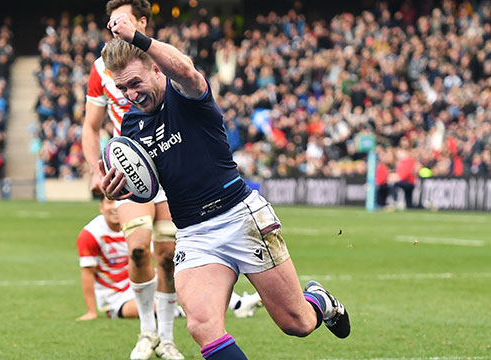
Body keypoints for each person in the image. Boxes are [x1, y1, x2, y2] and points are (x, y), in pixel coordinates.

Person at [99, 17, 350, 359]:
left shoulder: (183, 93)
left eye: (135, 83)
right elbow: (143, 180)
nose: (131, 94)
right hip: (193, 233)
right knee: (201, 325)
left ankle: (320, 301)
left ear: (157, 69)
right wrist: (118, 188)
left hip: (239, 217)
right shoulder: (130, 123)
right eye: (122, 88)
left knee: (298, 323)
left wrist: (140, 38)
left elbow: (186, 70)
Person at [80, 1, 183, 359]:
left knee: (168, 255)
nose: (114, 26)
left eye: (122, 19)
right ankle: (146, 333)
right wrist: (96, 171)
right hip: (130, 169)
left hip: (169, 162)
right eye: (111, 21)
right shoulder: (100, 69)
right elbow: (90, 127)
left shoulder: (162, 58)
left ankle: (167, 339)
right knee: (138, 247)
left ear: (141, 22)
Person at [76, 197, 263, 321]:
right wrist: (92, 311)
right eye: (108, 203)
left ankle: (238, 303)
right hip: (116, 297)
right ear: (101, 207)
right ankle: (184, 313)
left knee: (188, 279)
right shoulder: (91, 234)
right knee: (159, 307)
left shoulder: (136, 226)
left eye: (116, 203)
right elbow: (87, 274)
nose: (113, 208)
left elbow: (155, 255)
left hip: (143, 279)